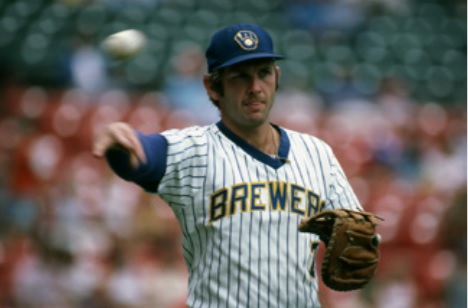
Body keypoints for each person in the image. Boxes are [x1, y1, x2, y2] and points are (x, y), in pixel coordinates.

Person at [93, 23, 363, 307]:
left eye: (264, 74)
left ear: (277, 76)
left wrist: (355, 247)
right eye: (240, 77)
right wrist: (120, 145)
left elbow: (356, 237)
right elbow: (142, 157)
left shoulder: (317, 153)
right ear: (213, 87)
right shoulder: (193, 150)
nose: (255, 88)